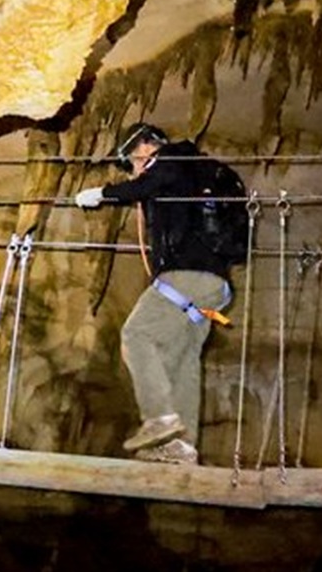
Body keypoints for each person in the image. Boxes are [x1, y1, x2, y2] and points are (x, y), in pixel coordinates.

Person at [73, 122, 245, 466]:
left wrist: (103, 193)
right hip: (214, 285)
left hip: (186, 276)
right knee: (182, 361)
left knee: (136, 334)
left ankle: (159, 418)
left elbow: (146, 183)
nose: (134, 170)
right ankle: (182, 446)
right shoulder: (197, 171)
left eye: (132, 161)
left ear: (144, 146)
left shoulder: (172, 158)